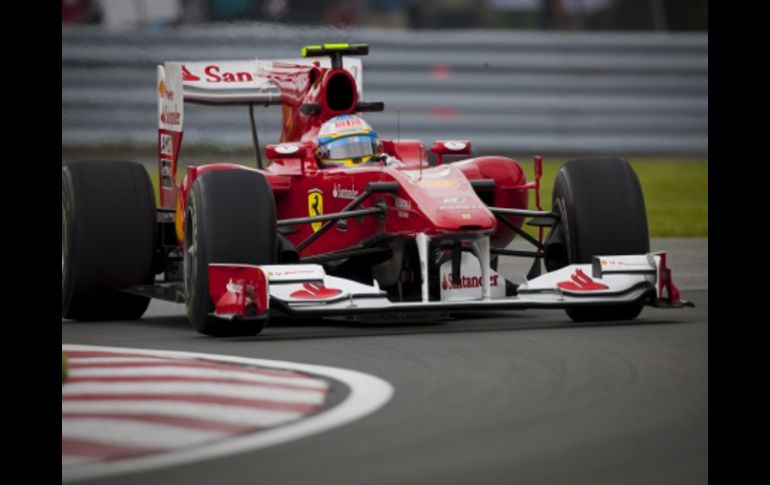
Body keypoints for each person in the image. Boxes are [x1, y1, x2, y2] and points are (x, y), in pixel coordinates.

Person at [316, 114, 403, 168]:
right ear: (321, 154)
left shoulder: (387, 162)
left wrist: (391, 165)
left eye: (361, 148)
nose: (358, 163)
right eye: (344, 149)